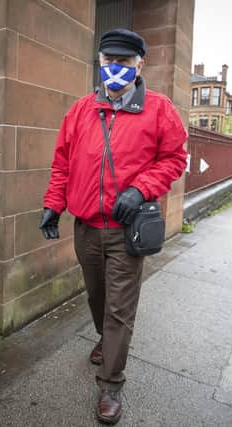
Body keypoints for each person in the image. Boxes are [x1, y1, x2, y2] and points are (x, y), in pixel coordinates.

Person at [39, 28, 187, 424]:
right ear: (100, 62)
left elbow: (174, 159)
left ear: (140, 64)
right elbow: (62, 164)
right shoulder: (80, 110)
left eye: (124, 62)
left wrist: (141, 190)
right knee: (96, 297)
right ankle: (105, 340)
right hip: (85, 226)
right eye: (109, 61)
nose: (115, 68)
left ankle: (111, 384)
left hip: (126, 230)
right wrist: (54, 205)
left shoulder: (160, 109)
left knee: (120, 310)